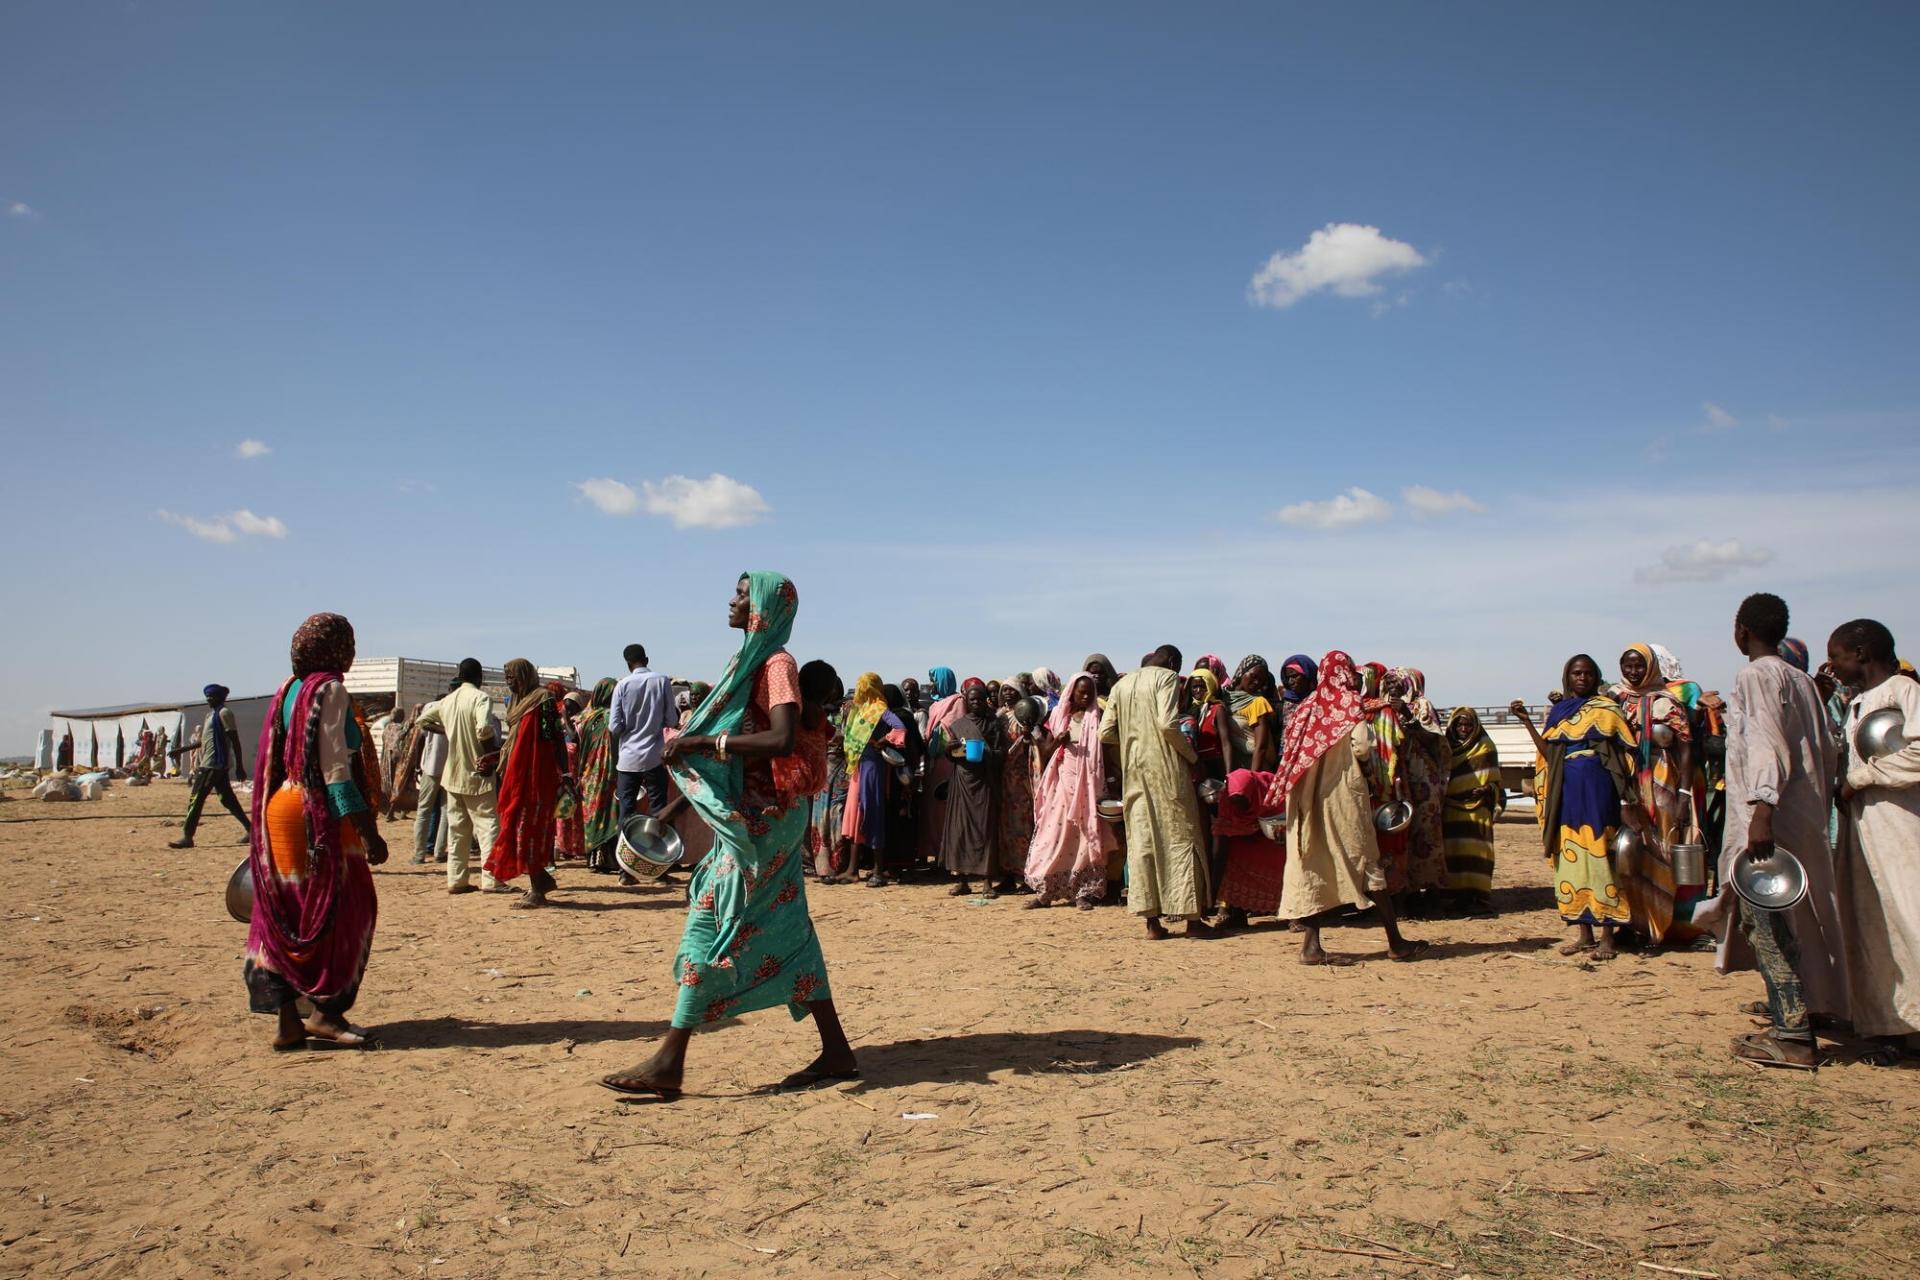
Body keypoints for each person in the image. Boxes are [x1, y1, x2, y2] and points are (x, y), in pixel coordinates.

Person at [600, 572, 856, 1100]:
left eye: (743, 594)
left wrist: (705, 740)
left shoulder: (776, 664)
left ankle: (670, 1060)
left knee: (711, 923)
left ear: (763, 606)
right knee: (785, 925)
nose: (732, 601)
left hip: (766, 822)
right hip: (753, 817)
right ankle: (836, 1049)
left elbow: (782, 739)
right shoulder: (749, 663)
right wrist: (672, 809)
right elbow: (723, 755)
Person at [1698, 594, 1843, 1071]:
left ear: (1741, 631)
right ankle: (1810, 1013)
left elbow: (1765, 743)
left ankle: (1793, 1035)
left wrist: (1762, 808)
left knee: (1768, 922)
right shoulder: (1800, 680)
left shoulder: (1756, 676)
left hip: (1770, 820)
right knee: (1804, 918)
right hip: (1801, 817)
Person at [244, 613, 387, 1050]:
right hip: (317, 817)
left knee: (286, 914)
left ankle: (288, 1022)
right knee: (346, 909)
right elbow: (335, 769)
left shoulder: (287, 691)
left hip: (280, 808)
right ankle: (326, 1013)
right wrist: (367, 829)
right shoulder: (330, 690)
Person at [1268, 651, 1423, 964]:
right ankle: (1396, 942)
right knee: (1366, 860)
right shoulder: (1348, 704)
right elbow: (1363, 747)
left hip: (1305, 798)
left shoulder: (1306, 706)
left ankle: (1311, 946)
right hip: (1341, 796)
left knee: (1312, 862)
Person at [1511, 655, 1645, 959]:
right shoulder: (1559, 713)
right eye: (1576, 673)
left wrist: (1626, 799)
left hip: (1599, 792)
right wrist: (1527, 722)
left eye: (1587, 673)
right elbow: (1549, 752)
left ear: (1595, 677)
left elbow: (1624, 756)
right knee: (1571, 859)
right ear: (1567, 677)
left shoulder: (1607, 710)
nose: (1581, 678)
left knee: (1603, 858)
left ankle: (1608, 937)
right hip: (1567, 793)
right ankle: (1584, 934)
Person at [1830, 618, 1920, 1060]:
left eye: (1839, 656)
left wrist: (1861, 779)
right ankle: (1889, 1023)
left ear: (1862, 654)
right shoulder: (1858, 702)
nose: (1835, 665)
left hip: (1901, 821)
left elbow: (1918, 752)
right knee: (1872, 921)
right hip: (1864, 825)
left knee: (1910, 915)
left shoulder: (1905, 691)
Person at [1100, 645, 1214, 939]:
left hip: (1134, 774)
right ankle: (1192, 920)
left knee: (1142, 842)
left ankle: (1152, 923)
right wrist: (1192, 757)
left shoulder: (1121, 685)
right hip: (1166, 770)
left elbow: (1105, 732)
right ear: (1173, 662)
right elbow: (1167, 724)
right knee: (1181, 837)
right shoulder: (1166, 679)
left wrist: (1131, 744)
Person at [1612, 642, 1698, 944]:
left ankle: (1657, 927)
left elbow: (1686, 748)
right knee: (1626, 852)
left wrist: (1685, 793)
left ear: (1651, 667)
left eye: (1639, 665)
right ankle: (1630, 922)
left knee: (1659, 849)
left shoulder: (1666, 702)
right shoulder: (1614, 699)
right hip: (1626, 782)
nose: (1633, 672)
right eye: (1628, 665)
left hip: (1661, 784)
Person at [1024, 671, 1117, 910]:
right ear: (1072, 692)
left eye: (1090, 692)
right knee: (1054, 835)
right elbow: (1044, 752)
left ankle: (1082, 891)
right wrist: (1058, 741)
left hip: (1089, 782)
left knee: (1084, 837)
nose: (1086, 696)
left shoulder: (1098, 717)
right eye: (1081, 691)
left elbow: (1106, 750)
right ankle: (1046, 891)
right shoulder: (1057, 716)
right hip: (1062, 780)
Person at [483, 661, 572, 908]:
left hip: (536, 777)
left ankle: (538, 889)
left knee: (528, 830)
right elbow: (515, 741)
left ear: (524, 676)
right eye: (506, 677)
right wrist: (495, 758)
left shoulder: (542, 701)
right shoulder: (515, 704)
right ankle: (541, 881)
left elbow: (554, 739)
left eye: (512, 676)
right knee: (515, 827)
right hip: (515, 775)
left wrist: (565, 774)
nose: (508, 681)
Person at [413, 659, 505, 894]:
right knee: (488, 828)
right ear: (479, 676)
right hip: (477, 773)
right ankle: (491, 880)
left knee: (457, 830)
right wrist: (490, 757)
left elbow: (421, 720)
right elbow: (484, 730)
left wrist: (448, 729)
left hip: (452, 774)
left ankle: (457, 880)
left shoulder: (447, 701)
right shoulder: (480, 698)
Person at [837, 673, 908, 886]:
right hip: (858, 766)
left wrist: (883, 741)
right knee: (854, 815)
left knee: (872, 812)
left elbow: (899, 727)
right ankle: (852, 869)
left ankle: (878, 869)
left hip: (872, 767)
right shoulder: (857, 709)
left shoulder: (879, 709)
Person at [1388, 667, 1452, 901]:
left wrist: (1406, 714)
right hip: (1402, 777)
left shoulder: (1421, 705)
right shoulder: (1386, 706)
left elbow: (1432, 738)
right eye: (1390, 683)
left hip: (1423, 777)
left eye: (1397, 682)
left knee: (1427, 833)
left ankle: (1434, 892)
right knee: (1402, 835)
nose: (1392, 687)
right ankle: (1407, 890)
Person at [942, 679, 1006, 897]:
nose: (976, 702)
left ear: (986, 701)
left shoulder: (994, 724)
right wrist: (949, 750)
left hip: (985, 782)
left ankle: (987, 882)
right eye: (972, 699)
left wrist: (984, 753)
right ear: (966, 702)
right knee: (960, 831)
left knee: (985, 831)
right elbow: (953, 755)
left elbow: (1001, 754)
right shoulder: (959, 725)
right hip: (962, 781)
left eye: (980, 699)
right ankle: (962, 880)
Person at [169, 684, 251, 849]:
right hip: (212, 764)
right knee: (228, 800)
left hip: (214, 765)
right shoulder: (210, 715)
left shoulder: (224, 713)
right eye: (207, 698)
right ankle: (251, 830)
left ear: (221, 698)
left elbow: (234, 740)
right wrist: (182, 749)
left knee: (196, 798)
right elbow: (205, 740)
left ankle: (187, 836)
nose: (209, 701)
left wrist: (240, 766)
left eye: (212, 698)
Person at [610, 644, 679, 827]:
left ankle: (625, 853)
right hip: (654, 757)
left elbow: (615, 727)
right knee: (659, 809)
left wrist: (630, 726)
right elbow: (672, 720)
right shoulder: (662, 681)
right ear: (646, 660)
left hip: (628, 760)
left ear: (628, 664)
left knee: (626, 811)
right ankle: (659, 852)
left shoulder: (621, 685)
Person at [1441, 707, 1503, 913]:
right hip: (1451, 809)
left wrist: (1488, 788)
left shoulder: (1485, 746)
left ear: (1475, 726)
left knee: (1477, 853)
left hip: (1478, 809)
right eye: (1459, 725)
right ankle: (1457, 898)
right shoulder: (1445, 747)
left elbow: (1495, 781)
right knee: (1454, 853)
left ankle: (1478, 899)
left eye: (1468, 725)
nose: (1464, 729)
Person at [1214, 767, 1285, 928]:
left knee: (1284, 865)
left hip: (1272, 838)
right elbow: (1220, 848)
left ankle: (1293, 916)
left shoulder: (1271, 789)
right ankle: (1237, 913)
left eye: (1243, 802)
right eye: (1236, 802)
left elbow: (1282, 822)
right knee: (1233, 865)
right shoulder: (1227, 801)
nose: (1239, 807)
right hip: (1242, 843)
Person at [997, 681, 1042, 894]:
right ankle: (1007, 875)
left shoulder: (1026, 715)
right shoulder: (999, 717)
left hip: (1021, 780)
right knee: (1005, 828)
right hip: (1003, 779)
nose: (1007, 693)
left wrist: (1026, 737)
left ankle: (1025, 875)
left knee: (1023, 827)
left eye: (1012, 690)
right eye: (1004, 689)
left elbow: (1036, 746)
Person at [573, 678, 621, 874]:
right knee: (605, 814)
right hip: (606, 773)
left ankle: (596, 859)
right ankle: (604, 859)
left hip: (589, 774)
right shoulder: (610, 716)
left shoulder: (585, 717)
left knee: (596, 815)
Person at [919, 667, 965, 867]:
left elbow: (959, 731)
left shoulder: (958, 702)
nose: (932, 684)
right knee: (934, 811)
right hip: (934, 763)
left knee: (947, 809)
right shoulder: (935, 705)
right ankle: (937, 855)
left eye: (934, 680)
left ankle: (950, 857)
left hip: (951, 761)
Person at [1227, 655, 1281, 771]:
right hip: (1233, 766)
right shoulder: (1225, 698)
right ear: (1243, 671)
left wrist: (1253, 776)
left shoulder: (1258, 702)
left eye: (1261, 680)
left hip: (1253, 766)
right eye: (1253, 676)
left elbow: (1261, 747)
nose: (1256, 682)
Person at [381, 704, 417, 820]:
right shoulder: (399, 728)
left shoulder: (387, 728)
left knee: (394, 786)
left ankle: (402, 811)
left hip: (387, 761)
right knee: (399, 785)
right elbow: (410, 724)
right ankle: (390, 813)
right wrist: (415, 710)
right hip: (398, 760)